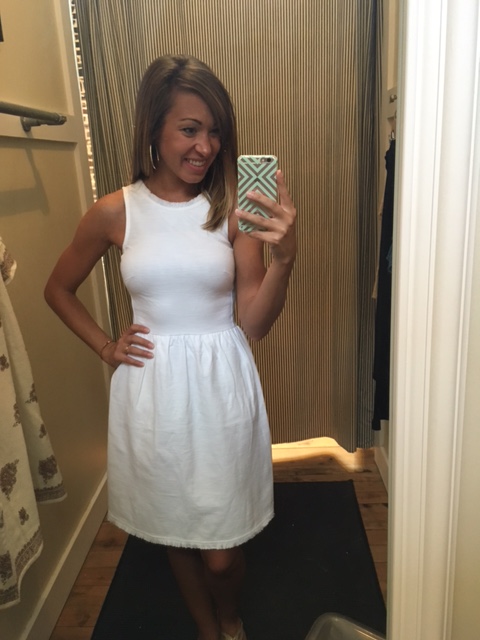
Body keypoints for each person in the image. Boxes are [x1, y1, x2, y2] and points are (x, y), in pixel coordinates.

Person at [45, 54, 296, 640]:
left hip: (219, 385)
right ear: (154, 128)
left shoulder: (232, 210)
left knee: (222, 554)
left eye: (215, 131)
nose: (205, 146)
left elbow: (255, 322)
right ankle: (209, 629)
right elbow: (57, 289)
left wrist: (284, 259)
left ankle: (229, 615)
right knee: (175, 526)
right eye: (189, 129)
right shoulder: (115, 211)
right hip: (152, 390)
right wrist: (106, 347)